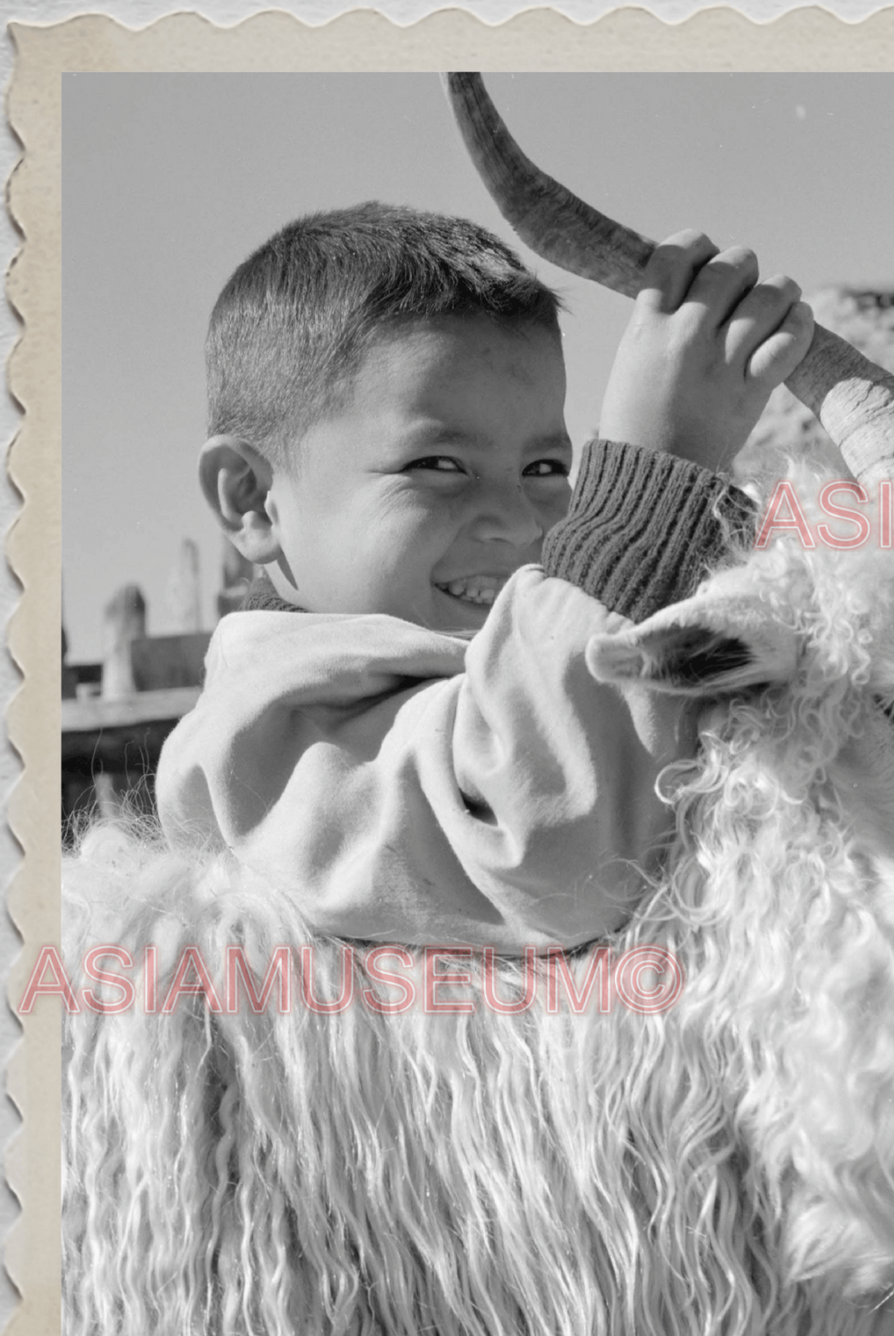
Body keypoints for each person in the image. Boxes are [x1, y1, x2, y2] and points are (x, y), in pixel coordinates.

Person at [156, 201, 814, 950]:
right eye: (437, 466)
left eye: (544, 468)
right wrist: (649, 481)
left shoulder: (478, 663)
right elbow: (541, 849)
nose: (518, 519)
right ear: (252, 498)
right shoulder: (259, 739)